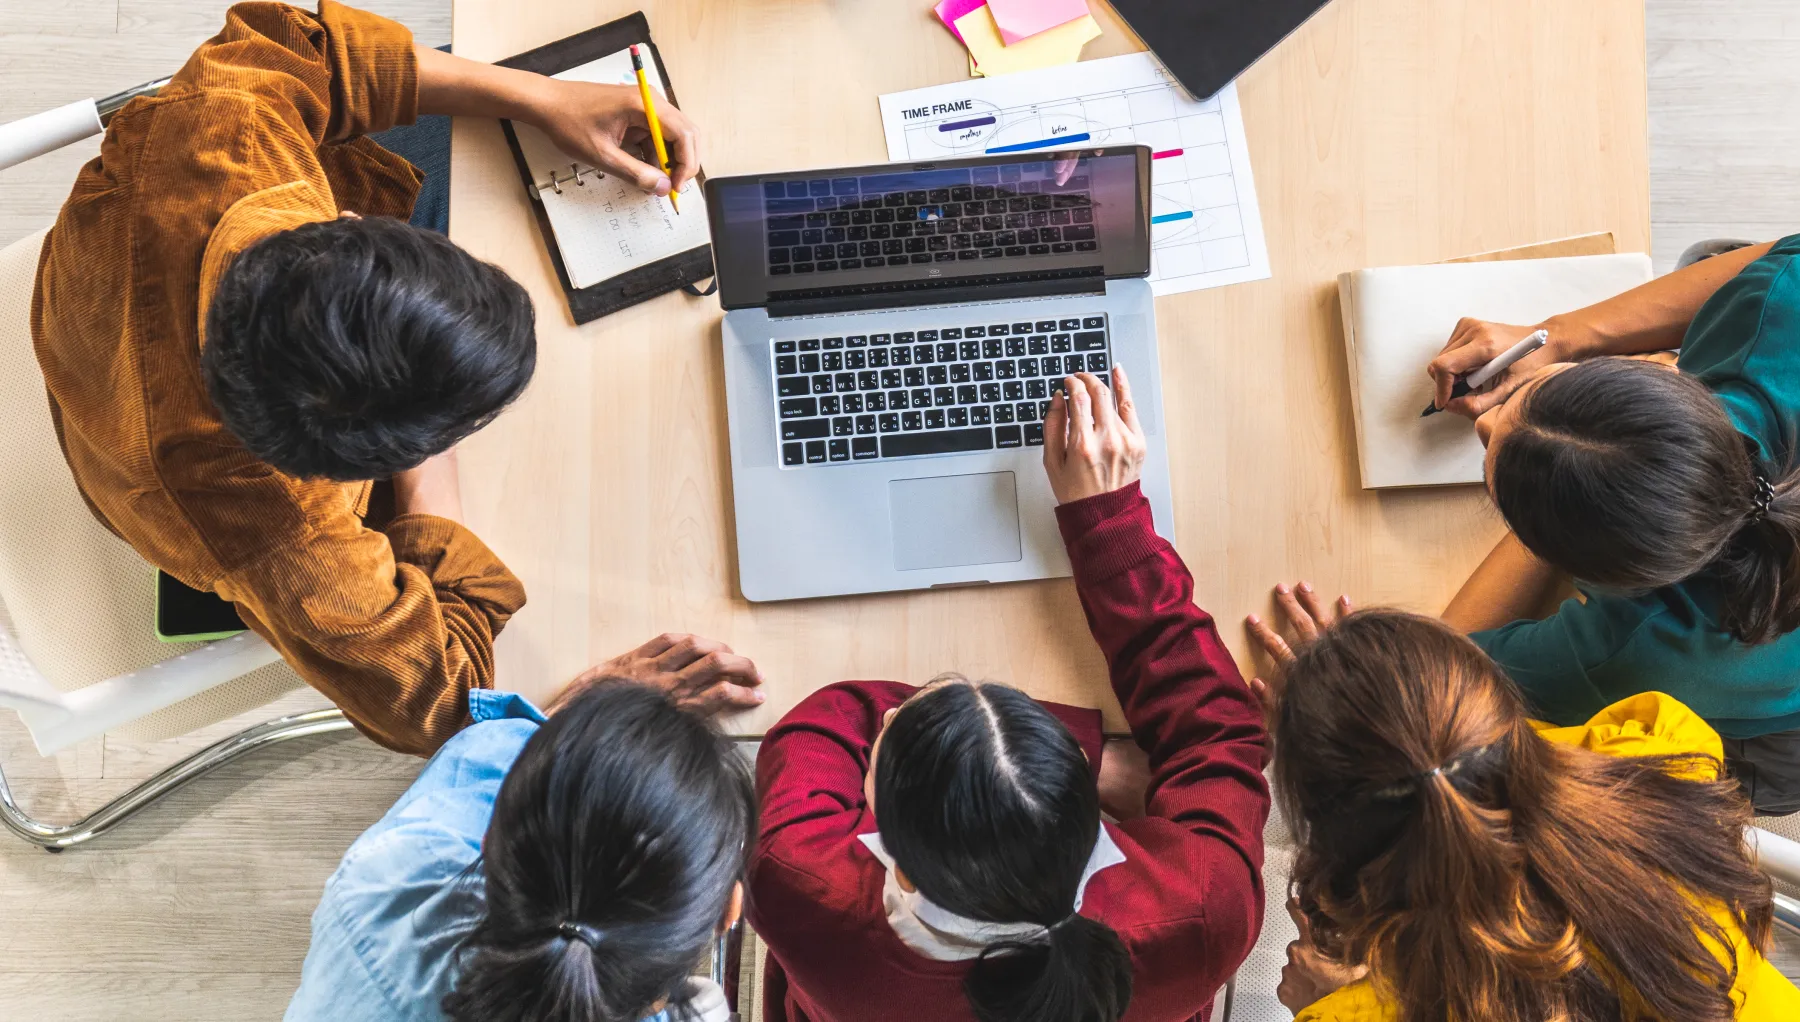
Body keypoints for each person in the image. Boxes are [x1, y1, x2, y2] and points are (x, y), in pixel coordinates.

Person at [31, 1, 726, 757]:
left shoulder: (224, 123)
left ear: (351, 223)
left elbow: (320, 51)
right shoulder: (285, 536)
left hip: (105, 306)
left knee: (490, 78)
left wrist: (545, 97)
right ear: (362, 474)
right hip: (129, 446)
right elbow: (441, 705)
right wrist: (428, 483)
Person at [749, 369, 1271, 1022]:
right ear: (1088, 821)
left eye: (890, 740)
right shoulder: (1199, 911)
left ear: (898, 863)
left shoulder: (804, 890)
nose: (885, 716)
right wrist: (1108, 523)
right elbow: (1218, 732)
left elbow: (831, 720)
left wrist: (1088, 752)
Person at [1247, 596, 1800, 1022]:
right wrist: (1388, 719)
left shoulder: (1357, 1009)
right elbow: (1486, 769)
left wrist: (1324, 999)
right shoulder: (1668, 751)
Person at [1418, 238, 1800, 810]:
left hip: (1778, 732)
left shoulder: (1632, 650)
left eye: (1490, 439)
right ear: (1658, 380)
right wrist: (1560, 337)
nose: (1489, 418)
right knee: (1710, 257)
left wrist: (1566, 512)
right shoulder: (1779, 308)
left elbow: (1444, 676)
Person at [284, 634, 758, 1022]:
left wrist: (593, 715)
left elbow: (491, 750)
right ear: (727, 914)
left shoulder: (391, 882)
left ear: (489, 842)